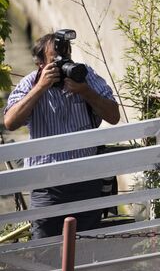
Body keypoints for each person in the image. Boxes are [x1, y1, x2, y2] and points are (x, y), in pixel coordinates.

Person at [3, 31, 120, 239]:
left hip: (86, 181)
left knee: (88, 250)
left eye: (66, 58)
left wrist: (85, 91)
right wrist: (40, 88)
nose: (63, 64)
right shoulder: (31, 83)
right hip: (47, 186)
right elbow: (10, 122)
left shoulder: (85, 76)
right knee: (45, 251)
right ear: (41, 63)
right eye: (55, 60)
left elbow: (113, 116)